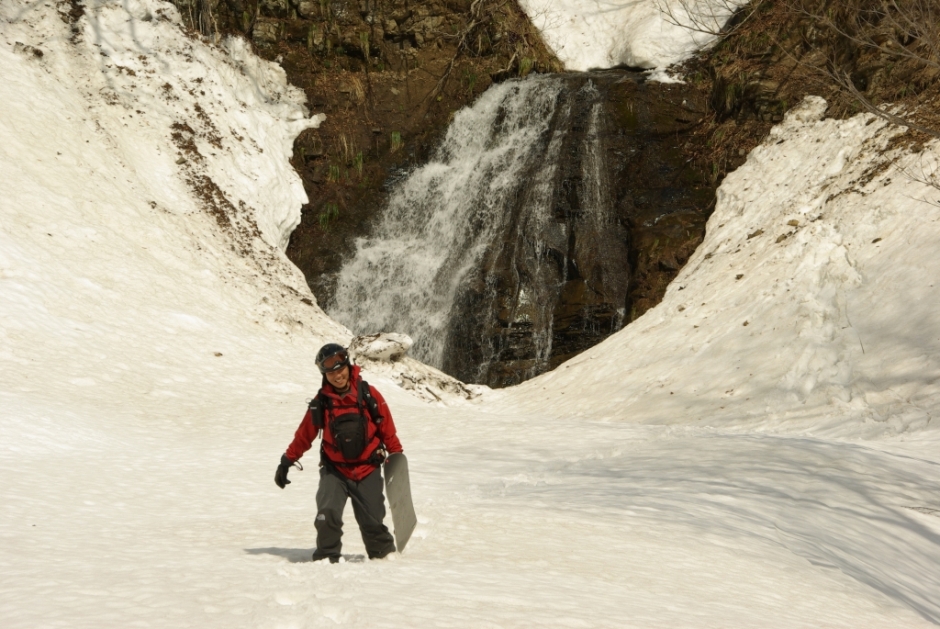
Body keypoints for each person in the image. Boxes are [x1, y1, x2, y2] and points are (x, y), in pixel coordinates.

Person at [274, 343, 402, 562]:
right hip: (335, 471)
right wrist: (287, 461)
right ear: (324, 375)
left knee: (373, 521)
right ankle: (326, 559)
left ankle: (384, 561)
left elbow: (387, 429)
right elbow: (305, 435)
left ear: (348, 366)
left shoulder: (369, 394)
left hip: (367, 468)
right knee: (327, 516)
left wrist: (396, 457)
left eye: (339, 369)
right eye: (330, 372)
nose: (337, 375)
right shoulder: (321, 403)